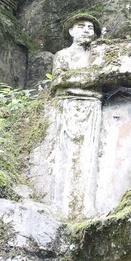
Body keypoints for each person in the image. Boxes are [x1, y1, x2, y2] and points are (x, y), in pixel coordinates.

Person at [48, 13, 104, 218]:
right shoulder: (62, 55)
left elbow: (100, 76)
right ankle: (60, 205)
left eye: (91, 27)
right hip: (67, 104)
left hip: (91, 104)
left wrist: (82, 79)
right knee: (63, 153)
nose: (87, 30)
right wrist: (87, 77)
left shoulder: (99, 55)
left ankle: (87, 205)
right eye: (82, 26)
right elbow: (58, 81)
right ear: (71, 31)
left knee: (89, 155)